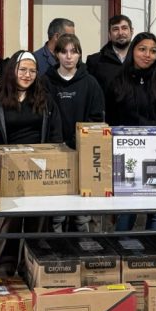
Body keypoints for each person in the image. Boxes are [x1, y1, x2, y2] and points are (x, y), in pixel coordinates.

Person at [0, 51, 64, 275]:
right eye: (23, 70)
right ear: (12, 71)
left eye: (32, 70)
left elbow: (55, 134)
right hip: (8, 172)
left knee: (37, 228)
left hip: (39, 172)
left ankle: (32, 273)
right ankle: (1, 274)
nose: (27, 75)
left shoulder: (45, 99)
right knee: (5, 226)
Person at [107, 32, 156, 231]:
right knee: (127, 209)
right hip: (127, 154)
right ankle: (122, 250)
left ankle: (153, 253)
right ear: (133, 51)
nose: (147, 55)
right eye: (142, 49)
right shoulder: (118, 81)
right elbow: (111, 121)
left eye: (153, 51)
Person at [44, 33, 105, 233]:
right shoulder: (45, 82)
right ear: (56, 55)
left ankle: (83, 249)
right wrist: (57, 143)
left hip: (83, 152)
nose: (69, 56)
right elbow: (42, 115)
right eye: (64, 51)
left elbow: (96, 119)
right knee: (57, 213)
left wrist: (77, 141)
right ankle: (56, 253)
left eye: (74, 51)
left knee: (81, 214)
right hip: (55, 152)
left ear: (79, 55)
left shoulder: (91, 83)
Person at [88, 14, 134, 104]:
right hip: (107, 116)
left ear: (131, 31)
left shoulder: (142, 60)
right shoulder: (95, 61)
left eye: (124, 28)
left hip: (136, 117)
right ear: (109, 34)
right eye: (115, 29)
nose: (120, 33)